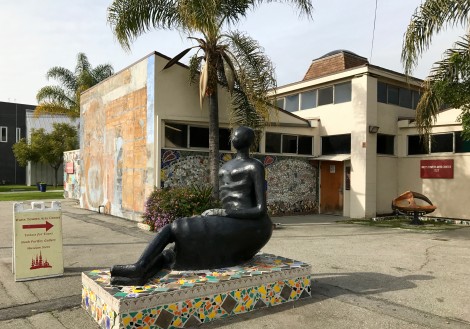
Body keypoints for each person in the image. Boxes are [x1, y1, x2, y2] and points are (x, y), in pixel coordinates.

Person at [111, 126, 273, 286]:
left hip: (252, 225)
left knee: (175, 227)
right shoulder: (224, 168)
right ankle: (142, 274)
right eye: (234, 135)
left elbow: (260, 209)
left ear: (248, 141)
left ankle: (139, 266)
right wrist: (220, 214)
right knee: (171, 254)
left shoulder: (254, 165)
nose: (234, 137)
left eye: (238, 135)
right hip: (229, 221)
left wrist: (222, 212)